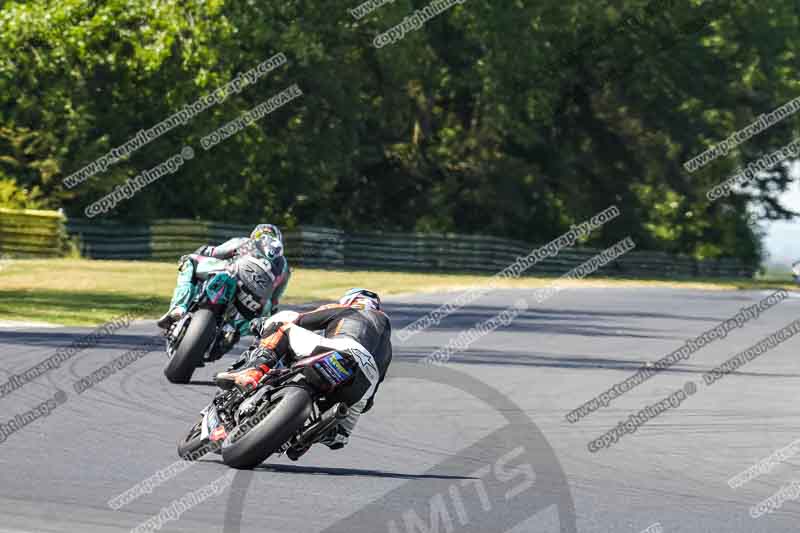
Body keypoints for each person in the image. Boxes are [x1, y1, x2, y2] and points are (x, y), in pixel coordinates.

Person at [215, 288, 392, 459]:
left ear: (350, 300)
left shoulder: (346, 310)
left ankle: (253, 372)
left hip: (340, 352)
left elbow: (299, 321)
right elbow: (369, 402)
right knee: (340, 436)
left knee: (283, 327)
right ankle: (321, 432)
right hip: (365, 382)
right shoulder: (387, 344)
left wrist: (264, 325)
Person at [156, 224, 291, 342]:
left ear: (255, 234)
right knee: (261, 320)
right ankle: (232, 335)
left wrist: (202, 251)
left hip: (230, 273)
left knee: (189, 260)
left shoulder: (244, 241)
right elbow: (274, 300)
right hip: (257, 302)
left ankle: (179, 306)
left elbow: (213, 252)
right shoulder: (284, 268)